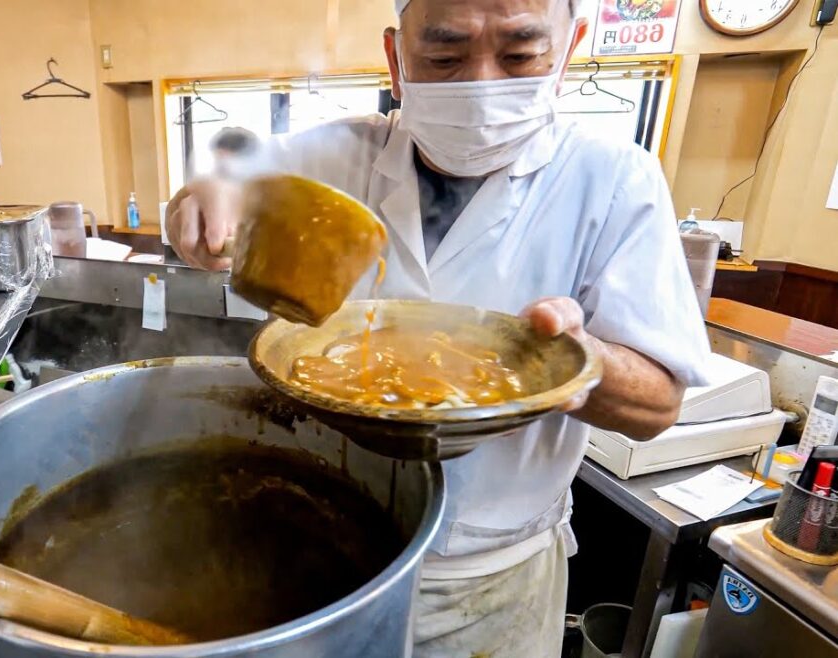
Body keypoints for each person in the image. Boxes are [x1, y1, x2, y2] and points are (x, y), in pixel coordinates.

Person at [166, 0, 711, 655]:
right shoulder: (338, 153)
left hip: (493, 580)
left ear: (568, 50)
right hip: (327, 546)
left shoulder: (616, 181)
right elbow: (223, 179)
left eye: (518, 55)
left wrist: (579, 360)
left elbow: (658, 403)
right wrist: (197, 202)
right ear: (397, 59)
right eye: (446, 56)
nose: (479, 84)